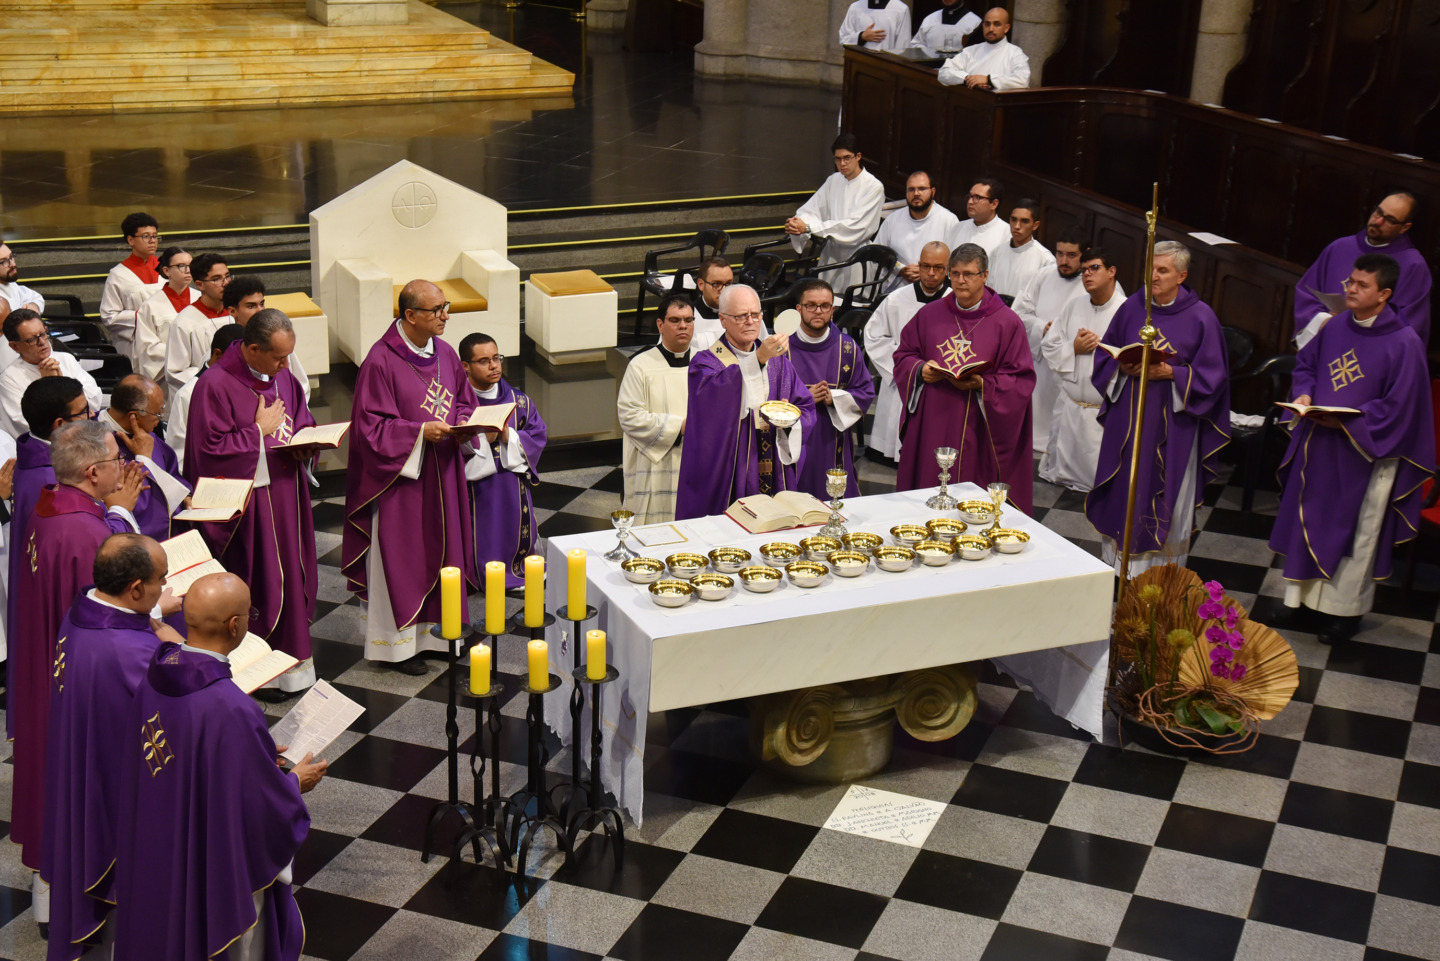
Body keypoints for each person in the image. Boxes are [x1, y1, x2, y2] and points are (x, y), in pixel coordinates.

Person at [113, 572, 325, 961]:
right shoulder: (230, 706)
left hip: (158, 837)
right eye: (249, 614)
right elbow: (260, 810)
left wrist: (254, 752)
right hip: (209, 858)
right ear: (234, 624)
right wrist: (294, 782)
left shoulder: (157, 673)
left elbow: (193, 753)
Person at [11, 420, 147, 928]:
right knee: (77, 781)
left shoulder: (51, 506)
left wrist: (115, 514)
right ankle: (81, 898)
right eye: (116, 460)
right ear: (93, 471)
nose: (124, 466)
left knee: (47, 773)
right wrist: (125, 517)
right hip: (78, 680)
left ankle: (52, 891)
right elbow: (110, 602)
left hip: (45, 662)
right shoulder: (85, 531)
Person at [1270, 254, 1434, 645]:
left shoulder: (1404, 343)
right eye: (1351, 282)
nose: (1350, 289)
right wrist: (1306, 393)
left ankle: (1343, 614)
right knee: (1310, 519)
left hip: (1366, 454)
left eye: (1361, 285)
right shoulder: (1335, 325)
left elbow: (1402, 407)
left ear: (1385, 294)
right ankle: (1304, 605)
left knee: (1356, 533)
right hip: (1320, 445)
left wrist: (1349, 420)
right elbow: (1306, 366)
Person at [41, 533, 180, 960]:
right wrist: (178, 649)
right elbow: (185, 715)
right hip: (117, 801)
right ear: (135, 588)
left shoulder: (81, 613)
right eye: (161, 581)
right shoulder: (135, 651)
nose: (164, 589)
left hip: (80, 775)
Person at [341, 281, 479, 675]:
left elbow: (464, 401)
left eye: (445, 307)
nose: (445, 316)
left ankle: (440, 637)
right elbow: (369, 427)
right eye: (436, 310)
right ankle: (396, 648)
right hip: (402, 480)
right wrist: (420, 433)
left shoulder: (447, 354)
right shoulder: (380, 361)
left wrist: (465, 423)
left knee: (444, 551)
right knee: (404, 557)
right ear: (410, 315)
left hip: (444, 473)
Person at [184, 310, 317, 696]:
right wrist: (257, 433)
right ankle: (260, 670)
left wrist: (307, 444)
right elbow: (208, 452)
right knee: (261, 581)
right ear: (252, 348)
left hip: (287, 495)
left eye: (288, 356)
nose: (284, 365)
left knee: (291, 575)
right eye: (277, 357)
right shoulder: (214, 385)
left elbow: (302, 420)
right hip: (251, 508)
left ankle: (293, 664)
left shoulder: (283, 377)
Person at [1086, 241, 1230, 574]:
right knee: (1124, 490)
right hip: (1128, 421)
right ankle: (1117, 570)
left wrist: (1170, 372)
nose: (1153, 276)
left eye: (1162, 270)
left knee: (1164, 495)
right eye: (1150, 267)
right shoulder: (1133, 307)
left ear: (1181, 275)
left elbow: (1214, 377)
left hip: (1172, 428)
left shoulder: (1201, 317)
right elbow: (1107, 353)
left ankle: (1158, 577)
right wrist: (1121, 365)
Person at [893, 243, 1036, 512]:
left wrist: (982, 383)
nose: (960, 280)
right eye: (955, 273)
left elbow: (1021, 379)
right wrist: (920, 370)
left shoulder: (1007, 322)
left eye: (969, 274)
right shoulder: (929, 314)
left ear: (984, 275)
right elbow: (904, 355)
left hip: (979, 425)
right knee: (926, 495)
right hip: (933, 418)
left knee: (970, 501)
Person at [676, 284, 817, 519]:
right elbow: (710, 412)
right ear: (722, 319)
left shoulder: (779, 362)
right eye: (741, 316)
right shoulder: (705, 363)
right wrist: (758, 359)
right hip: (734, 468)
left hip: (774, 463)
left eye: (755, 314)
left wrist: (790, 419)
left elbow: (805, 406)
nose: (750, 321)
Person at [462, 331, 547, 588]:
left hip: (512, 484)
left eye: (497, 358)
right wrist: (480, 441)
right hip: (474, 487)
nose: (494, 365)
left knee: (513, 528)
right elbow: (445, 447)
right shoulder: (457, 404)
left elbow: (538, 435)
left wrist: (508, 435)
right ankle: (474, 575)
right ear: (465, 366)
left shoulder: (519, 400)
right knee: (482, 533)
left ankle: (517, 569)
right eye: (484, 360)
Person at [1293, 191, 1432, 349]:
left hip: (1368, 351)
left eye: (1390, 220)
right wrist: (1322, 319)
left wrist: (1356, 325)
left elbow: (1410, 325)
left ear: (1404, 227)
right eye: (1378, 212)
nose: (1378, 221)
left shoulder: (1414, 266)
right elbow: (1307, 294)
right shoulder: (1339, 247)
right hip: (1324, 341)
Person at [1039, 247, 1125, 490]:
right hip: (1071, 407)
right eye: (1084, 270)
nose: (1087, 274)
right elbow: (1050, 344)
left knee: (1100, 482)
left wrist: (1101, 350)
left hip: (1103, 410)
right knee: (1057, 479)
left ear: (1111, 272)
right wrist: (1073, 348)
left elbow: (1132, 358)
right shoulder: (1073, 305)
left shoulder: (1126, 311)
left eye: (1094, 268)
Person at [788, 279, 876, 499]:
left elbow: (865, 393)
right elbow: (764, 397)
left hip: (832, 439)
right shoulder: (781, 347)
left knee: (834, 504)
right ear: (799, 309)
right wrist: (804, 398)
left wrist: (835, 398)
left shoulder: (847, 348)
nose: (818, 311)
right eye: (811, 305)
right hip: (791, 442)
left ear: (832, 310)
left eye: (825, 306)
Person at [866, 241, 951, 462]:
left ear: (948, 269)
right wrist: (906, 364)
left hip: (940, 380)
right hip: (902, 378)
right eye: (925, 266)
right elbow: (874, 336)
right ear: (918, 266)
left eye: (938, 268)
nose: (931, 273)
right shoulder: (896, 299)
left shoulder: (955, 301)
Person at [619, 294, 694, 524]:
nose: (683, 326)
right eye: (675, 320)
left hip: (693, 461)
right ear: (660, 325)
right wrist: (678, 427)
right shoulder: (641, 365)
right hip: (653, 464)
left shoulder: (705, 364)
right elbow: (629, 416)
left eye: (688, 320)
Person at [1013, 229, 1086, 452]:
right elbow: (1018, 314)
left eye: (1072, 255)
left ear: (1085, 255)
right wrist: (1041, 327)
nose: (1063, 261)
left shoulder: (1092, 282)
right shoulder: (1043, 276)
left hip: (1075, 364)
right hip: (1040, 361)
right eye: (1060, 253)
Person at [786, 134, 886, 294]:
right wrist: (798, 222)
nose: (842, 164)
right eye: (837, 159)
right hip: (831, 254)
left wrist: (809, 227)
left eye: (847, 158)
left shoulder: (873, 187)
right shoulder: (834, 180)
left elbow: (854, 226)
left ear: (858, 156)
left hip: (856, 258)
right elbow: (812, 208)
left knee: (848, 308)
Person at [98, 375, 192, 540]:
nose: (160, 418)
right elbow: (135, 500)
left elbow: (171, 472)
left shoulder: (147, 436)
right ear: (134, 416)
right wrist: (144, 459)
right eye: (157, 413)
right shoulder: (97, 444)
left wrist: (185, 495)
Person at [0, 310, 104, 438]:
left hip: (87, 433)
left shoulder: (66, 359)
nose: (42, 342)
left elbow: (95, 401)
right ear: (15, 346)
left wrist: (61, 382)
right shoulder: (9, 379)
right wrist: (51, 387)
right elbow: (32, 427)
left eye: (43, 334)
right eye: (32, 339)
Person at [169, 323, 245, 474]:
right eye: (238, 360)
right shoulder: (188, 394)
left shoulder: (246, 386)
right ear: (217, 354)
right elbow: (180, 455)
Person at [873, 171, 961, 294]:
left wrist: (926, 271)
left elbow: (956, 261)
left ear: (933, 191)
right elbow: (876, 253)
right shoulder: (893, 219)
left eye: (921, 189)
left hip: (934, 293)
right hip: (895, 292)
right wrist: (900, 269)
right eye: (911, 189)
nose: (916, 193)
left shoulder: (949, 220)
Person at [164, 254, 234, 396]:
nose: (225, 283)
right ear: (200, 284)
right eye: (216, 279)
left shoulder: (235, 313)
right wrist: (215, 375)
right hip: (207, 393)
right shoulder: (185, 322)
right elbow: (176, 372)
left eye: (227, 276)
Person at [98, 213, 163, 361]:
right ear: (131, 240)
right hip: (135, 345)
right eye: (146, 236)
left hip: (166, 341)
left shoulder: (166, 268)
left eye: (155, 236)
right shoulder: (118, 275)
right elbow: (109, 316)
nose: (152, 241)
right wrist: (146, 318)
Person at [132, 246, 198, 384]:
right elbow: (148, 349)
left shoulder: (200, 298)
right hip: (167, 377)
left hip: (200, 371)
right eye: (181, 266)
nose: (188, 270)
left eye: (190, 265)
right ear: (166, 270)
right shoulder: (150, 306)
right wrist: (184, 352)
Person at [936, 7, 1031, 89]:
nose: (991, 29)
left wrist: (988, 80)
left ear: (1006, 28)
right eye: (987, 24)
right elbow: (944, 72)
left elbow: (1022, 80)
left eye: (997, 24)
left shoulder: (1015, 53)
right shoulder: (970, 51)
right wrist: (967, 78)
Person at [988, 199, 1055, 303]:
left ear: (1035, 225)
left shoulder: (1046, 260)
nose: (1017, 226)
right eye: (1013, 219)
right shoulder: (997, 252)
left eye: (1024, 221)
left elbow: (1045, 299)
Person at [947, 177, 1010, 262]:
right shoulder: (958, 228)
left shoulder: (1006, 234)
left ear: (994, 204)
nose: (970, 202)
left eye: (977, 197)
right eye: (970, 196)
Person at [0, 238, 45, 332]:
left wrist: (34, 305)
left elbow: (35, 297)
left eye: (11, 256)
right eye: (3, 262)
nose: (12, 264)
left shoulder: (9, 284)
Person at [908, 0, 982, 57]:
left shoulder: (974, 22)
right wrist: (929, 54)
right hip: (928, 70)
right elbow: (916, 44)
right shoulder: (930, 19)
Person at [838, 0, 913, 55]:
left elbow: (903, 46)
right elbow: (844, 38)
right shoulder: (855, 7)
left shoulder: (901, 9)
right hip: (859, 63)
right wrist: (861, 36)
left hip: (888, 66)